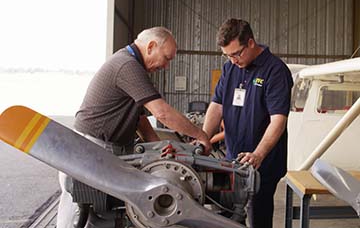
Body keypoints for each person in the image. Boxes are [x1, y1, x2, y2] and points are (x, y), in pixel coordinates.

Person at [57, 26, 211, 228]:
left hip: (105, 151)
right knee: (82, 217)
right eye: (166, 58)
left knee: (103, 217)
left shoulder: (131, 65)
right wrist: (201, 135)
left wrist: (159, 149)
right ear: (151, 47)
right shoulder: (126, 66)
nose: (166, 66)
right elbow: (161, 113)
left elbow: (140, 120)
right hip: (91, 150)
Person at [202, 18, 293, 228]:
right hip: (232, 158)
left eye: (236, 53)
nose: (233, 60)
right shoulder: (230, 68)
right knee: (223, 211)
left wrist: (258, 154)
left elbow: (278, 120)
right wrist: (203, 138)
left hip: (263, 164)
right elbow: (217, 106)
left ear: (251, 43)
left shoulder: (275, 71)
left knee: (257, 216)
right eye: (227, 55)